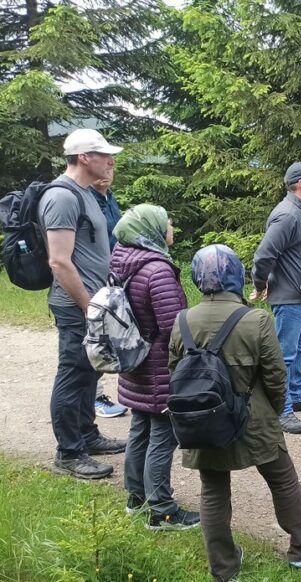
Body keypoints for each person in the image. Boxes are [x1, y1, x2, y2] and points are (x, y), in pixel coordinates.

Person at [170, 244, 301, 580]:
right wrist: (272, 413)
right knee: (283, 480)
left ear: (199, 279)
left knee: (213, 490)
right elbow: (276, 377)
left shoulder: (182, 320)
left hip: (205, 423)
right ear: (236, 276)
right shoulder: (256, 319)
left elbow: (176, 373)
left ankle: (223, 566)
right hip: (254, 419)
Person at [41, 128, 127, 480]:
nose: (110, 160)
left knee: (90, 371)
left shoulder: (89, 193)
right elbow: (59, 261)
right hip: (77, 303)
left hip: (92, 301)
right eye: (103, 154)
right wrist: (89, 307)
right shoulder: (62, 196)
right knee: (74, 373)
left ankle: (87, 435)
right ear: (83, 158)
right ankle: (69, 452)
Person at [109, 204, 198, 530]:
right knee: (162, 436)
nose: (171, 225)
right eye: (167, 222)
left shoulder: (123, 258)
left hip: (136, 363)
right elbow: (173, 326)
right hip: (160, 367)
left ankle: (136, 498)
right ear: (152, 231)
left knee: (140, 431)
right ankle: (162, 511)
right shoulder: (156, 269)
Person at [251, 162, 301, 434]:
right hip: (290, 298)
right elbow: (264, 254)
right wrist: (260, 284)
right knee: (283, 356)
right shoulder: (287, 215)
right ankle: (281, 410)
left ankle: (297, 396)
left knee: (297, 351)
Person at [90, 176, 129, 418]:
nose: (109, 169)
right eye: (104, 161)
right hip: (92, 282)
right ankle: (94, 398)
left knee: (109, 336)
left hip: (111, 278)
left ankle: (98, 395)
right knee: (94, 338)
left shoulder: (108, 197)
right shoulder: (83, 199)